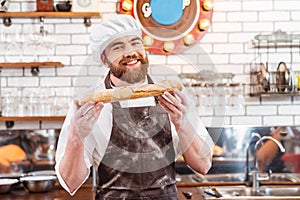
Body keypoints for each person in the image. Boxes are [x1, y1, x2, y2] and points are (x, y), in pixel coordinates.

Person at [55, 14, 214, 199]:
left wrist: (182, 123)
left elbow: (203, 166)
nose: (130, 52)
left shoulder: (174, 97)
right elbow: (70, 183)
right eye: (118, 47)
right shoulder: (87, 106)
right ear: (104, 60)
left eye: (135, 43)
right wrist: (76, 136)